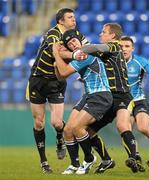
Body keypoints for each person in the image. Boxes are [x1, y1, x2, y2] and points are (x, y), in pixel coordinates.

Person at [26, 8, 88, 173]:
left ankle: (60, 138)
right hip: (38, 80)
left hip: (56, 81)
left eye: (74, 16)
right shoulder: (53, 33)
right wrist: (77, 55)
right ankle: (44, 162)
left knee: (56, 122)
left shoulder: (77, 35)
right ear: (61, 21)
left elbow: (88, 49)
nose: (74, 19)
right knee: (39, 123)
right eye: (70, 17)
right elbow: (58, 50)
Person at [74, 23, 142, 173]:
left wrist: (77, 51)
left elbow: (95, 48)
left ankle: (133, 158)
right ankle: (106, 160)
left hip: (123, 95)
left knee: (122, 125)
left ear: (112, 36)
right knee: (88, 130)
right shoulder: (107, 52)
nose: (100, 34)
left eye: (103, 32)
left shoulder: (114, 46)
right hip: (108, 97)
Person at [53, 29, 113, 175]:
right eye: (69, 43)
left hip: (100, 95)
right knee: (68, 130)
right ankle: (74, 164)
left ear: (79, 40)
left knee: (79, 128)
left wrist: (56, 53)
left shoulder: (84, 54)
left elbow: (65, 72)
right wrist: (56, 66)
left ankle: (89, 158)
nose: (73, 44)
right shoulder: (78, 56)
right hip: (89, 95)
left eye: (74, 40)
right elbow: (60, 77)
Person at [120, 36, 149, 168]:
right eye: (121, 46)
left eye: (127, 46)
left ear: (132, 48)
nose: (124, 49)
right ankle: (135, 157)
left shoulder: (139, 61)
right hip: (124, 102)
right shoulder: (114, 63)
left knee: (143, 127)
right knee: (125, 128)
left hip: (139, 100)